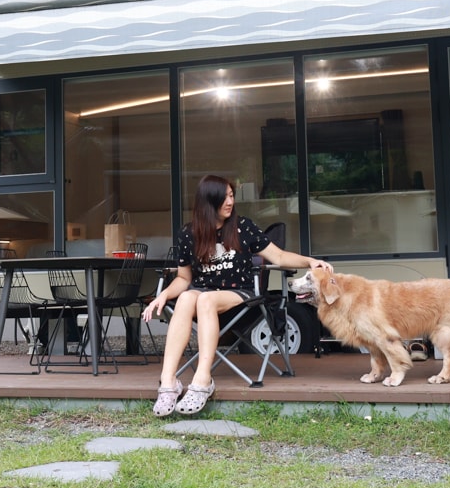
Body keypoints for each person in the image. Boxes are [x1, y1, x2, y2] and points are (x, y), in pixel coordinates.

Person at [141, 174, 333, 416]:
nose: (230, 202)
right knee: (188, 297)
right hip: (202, 300)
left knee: (203, 298)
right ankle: (168, 382)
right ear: (208, 202)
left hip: (241, 300)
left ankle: (202, 380)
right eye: (224, 198)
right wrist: (163, 295)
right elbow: (184, 279)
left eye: (232, 196)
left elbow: (280, 257)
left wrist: (310, 261)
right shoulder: (188, 234)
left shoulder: (243, 227)